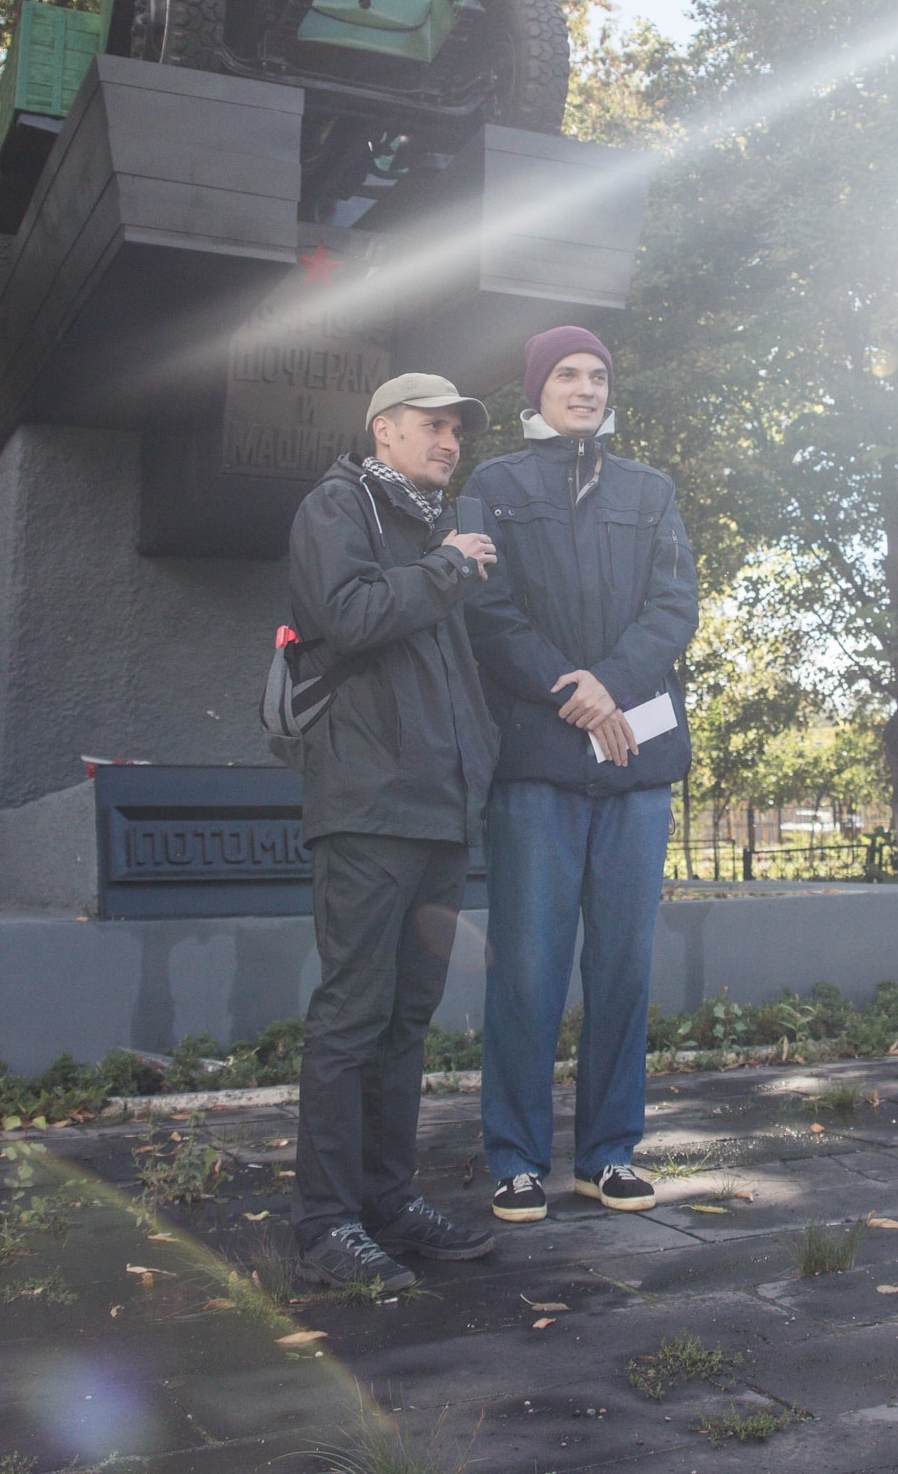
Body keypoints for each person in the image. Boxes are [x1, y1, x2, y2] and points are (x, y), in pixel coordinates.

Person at [462, 326, 698, 1223]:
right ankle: (516, 1158)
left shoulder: (651, 490)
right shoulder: (493, 487)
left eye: (598, 374)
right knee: (527, 965)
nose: (586, 387)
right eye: (567, 374)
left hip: (637, 762)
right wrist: (576, 691)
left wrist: (614, 685)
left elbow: (677, 604)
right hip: (538, 763)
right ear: (537, 389)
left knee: (624, 965)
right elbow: (487, 608)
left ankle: (609, 1154)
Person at [285, 373, 502, 1291]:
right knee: (351, 1014)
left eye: (457, 429)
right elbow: (351, 617)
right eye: (432, 425)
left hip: (441, 812)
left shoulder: (430, 529)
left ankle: (387, 1200)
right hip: (369, 807)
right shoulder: (341, 505)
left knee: (406, 1017)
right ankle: (326, 1225)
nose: (449, 441)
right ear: (384, 430)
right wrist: (450, 565)